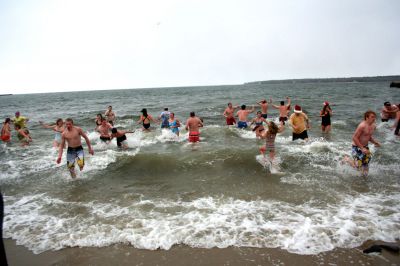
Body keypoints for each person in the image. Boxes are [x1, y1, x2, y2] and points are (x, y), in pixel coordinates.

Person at [344, 110, 381, 177]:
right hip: (357, 147)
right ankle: (347, 159)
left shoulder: (373, 126)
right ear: (367, 117)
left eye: (374, 117)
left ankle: (364, 180)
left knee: (366, 165)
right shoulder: (362, 126)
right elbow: (354, 138)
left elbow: (368, 137)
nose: (374, 118)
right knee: (357, 166)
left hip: (365, 147)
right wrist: (362, 148)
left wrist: (375, 142)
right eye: (372, 117)